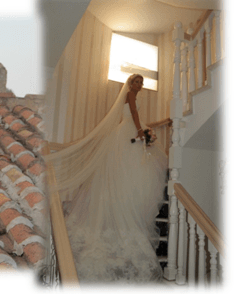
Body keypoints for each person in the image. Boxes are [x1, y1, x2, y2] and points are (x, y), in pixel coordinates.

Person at [44, 74, 167, 284]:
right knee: (124, 172)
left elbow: (139, 116)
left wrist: (149, 129)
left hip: (132, 132)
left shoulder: (134, 97)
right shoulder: (129, 95)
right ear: (130, 84)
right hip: (129, 133)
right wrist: (140, 131)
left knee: (135, 175)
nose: (139, 85)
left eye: (141, 83)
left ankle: (131, 209)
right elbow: (134, 114)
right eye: (136, 82)